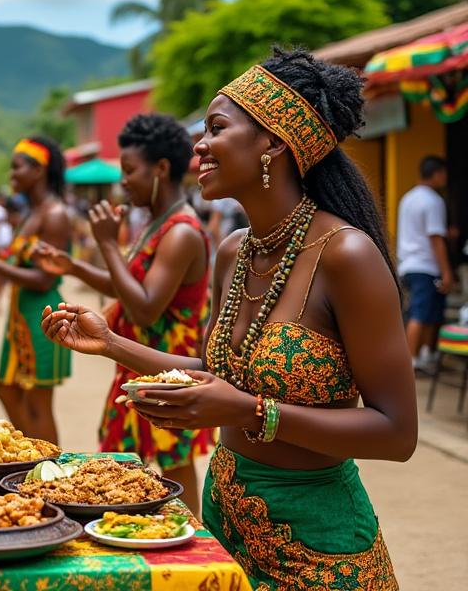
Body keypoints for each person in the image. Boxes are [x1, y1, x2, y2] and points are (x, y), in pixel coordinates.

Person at [42, 49, 415, 589]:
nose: (199, 144)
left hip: (319, 546)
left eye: (216, 128)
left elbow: (397, 433)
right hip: (223, 521)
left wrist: (248, 410)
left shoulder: (345, 256)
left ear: (273, 144)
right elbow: (223, 370)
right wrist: (113, 344)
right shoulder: (234, 250)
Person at [33, 114, 213, 512]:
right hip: (135, 360)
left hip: (169, 366)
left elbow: (146, 309)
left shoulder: (181, 231)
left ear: (162, 169)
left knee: (172, 461)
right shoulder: (156, 224)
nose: (123, 181)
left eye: (130, 171)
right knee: (123, 463)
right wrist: (75, 266)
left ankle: (190, 542)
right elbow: (129, 289)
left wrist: (108, 246)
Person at [0, 136, 73, 444]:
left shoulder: (55, 215)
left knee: (38, 402)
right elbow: (19, 259)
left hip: (44, 313)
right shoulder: (33, 213)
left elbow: (43, 279)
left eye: (16, 168)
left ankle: (49, 473)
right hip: (22, 314)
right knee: (8, 390)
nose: (11, 176)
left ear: (38, 171)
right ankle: (34, 458)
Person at [397, 155, 454, 372]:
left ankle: (424, 356)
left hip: (408, 265)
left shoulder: (408, 198)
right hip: (425, 265)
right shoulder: (433, 201)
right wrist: (447, 272)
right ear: (437, 173)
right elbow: (435, 238)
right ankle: (410, 362)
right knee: (420, 314)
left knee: (423, 312)